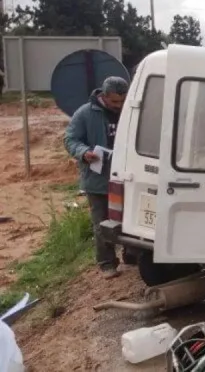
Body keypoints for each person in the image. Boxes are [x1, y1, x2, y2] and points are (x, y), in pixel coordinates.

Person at [64, 76, 132, 279]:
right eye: (114, 102)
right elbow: (70, 139)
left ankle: (132, 254)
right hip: (98, 178)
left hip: (126, 175)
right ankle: (107, 263)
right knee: (102, 222)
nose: (119, 106)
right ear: (103, 96)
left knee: (129, 218)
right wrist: (84, 152)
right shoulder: (85, 113)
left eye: (122, 101)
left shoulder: (131, 110)